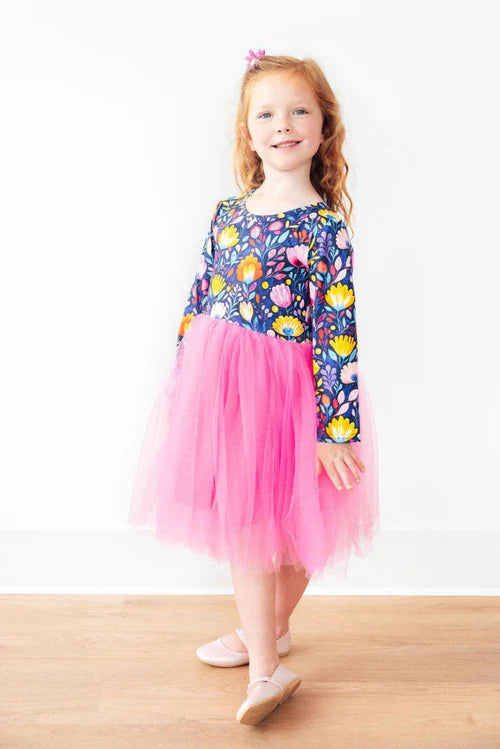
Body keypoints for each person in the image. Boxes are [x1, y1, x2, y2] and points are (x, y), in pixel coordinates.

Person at [128, 48, 380, 725]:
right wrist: (182, 380)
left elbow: (337, 327)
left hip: (291, 396)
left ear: (324, 128)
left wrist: (335, 427)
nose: (283, 124)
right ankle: (266, 669)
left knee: (306, 529)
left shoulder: (325, 228)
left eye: (299, 111)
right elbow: (200, 295)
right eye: (266, 114)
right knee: (249, 526)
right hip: (224, 389)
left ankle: (265, 628)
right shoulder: (227, 213)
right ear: (248, 130)